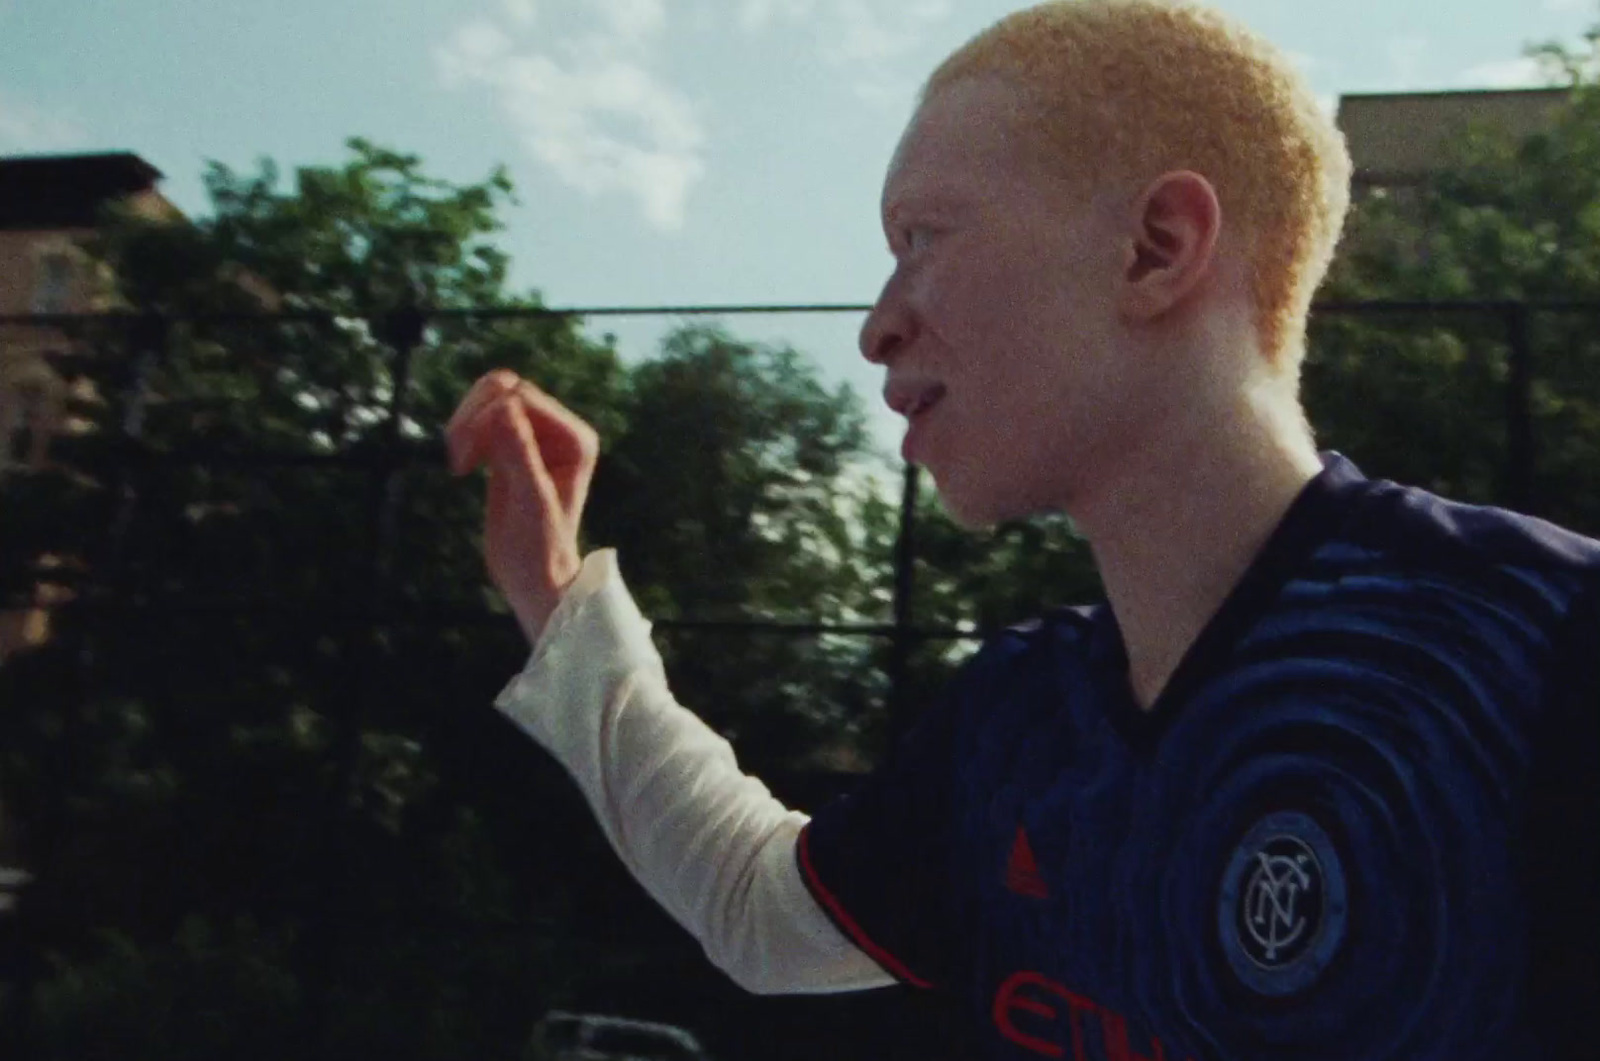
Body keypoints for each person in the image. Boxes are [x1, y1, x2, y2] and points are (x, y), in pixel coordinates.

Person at [444, 1, 1598, 1057]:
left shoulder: (1541, 647)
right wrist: (553, 592)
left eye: (922, 237)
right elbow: (757, 905)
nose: (876, 326)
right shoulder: (1018, 721)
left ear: (1154, 247)